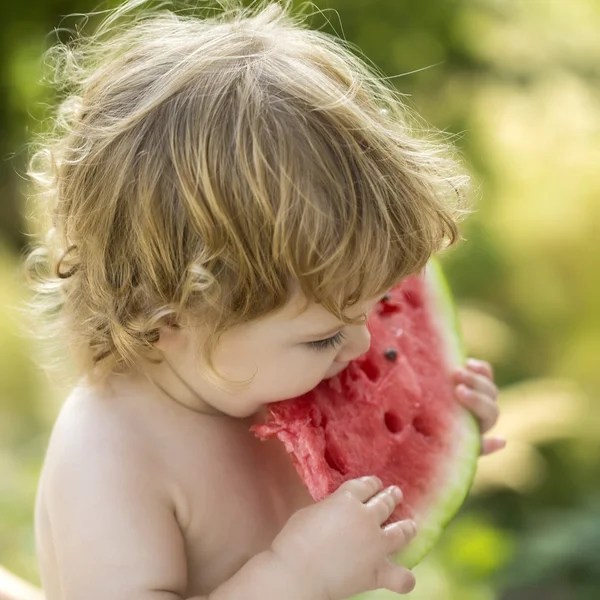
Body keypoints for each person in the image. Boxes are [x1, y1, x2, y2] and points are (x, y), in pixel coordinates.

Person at [21, 1, 505, 599]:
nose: (359, 346)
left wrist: (437, 426)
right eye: (323, 336)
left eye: (376, 306)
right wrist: (292, 579)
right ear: (170, 315)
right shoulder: (113, 452)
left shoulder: (261, 378)